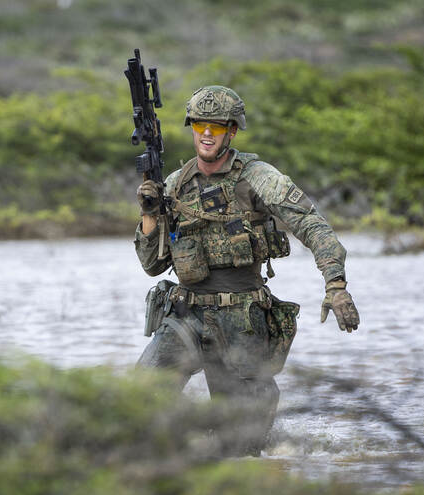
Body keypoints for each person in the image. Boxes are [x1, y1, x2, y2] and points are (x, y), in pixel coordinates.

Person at [134, 85, 359, 455]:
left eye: (217, 126)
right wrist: (148, 214)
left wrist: (336, 285)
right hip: (186, 314)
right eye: (200, 125)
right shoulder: (174, 184)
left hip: (240, 321)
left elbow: (312, 225)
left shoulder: (258, 177)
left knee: (243, 448)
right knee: (136, 400)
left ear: (232, 131)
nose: (207, 133)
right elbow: (152, 265)